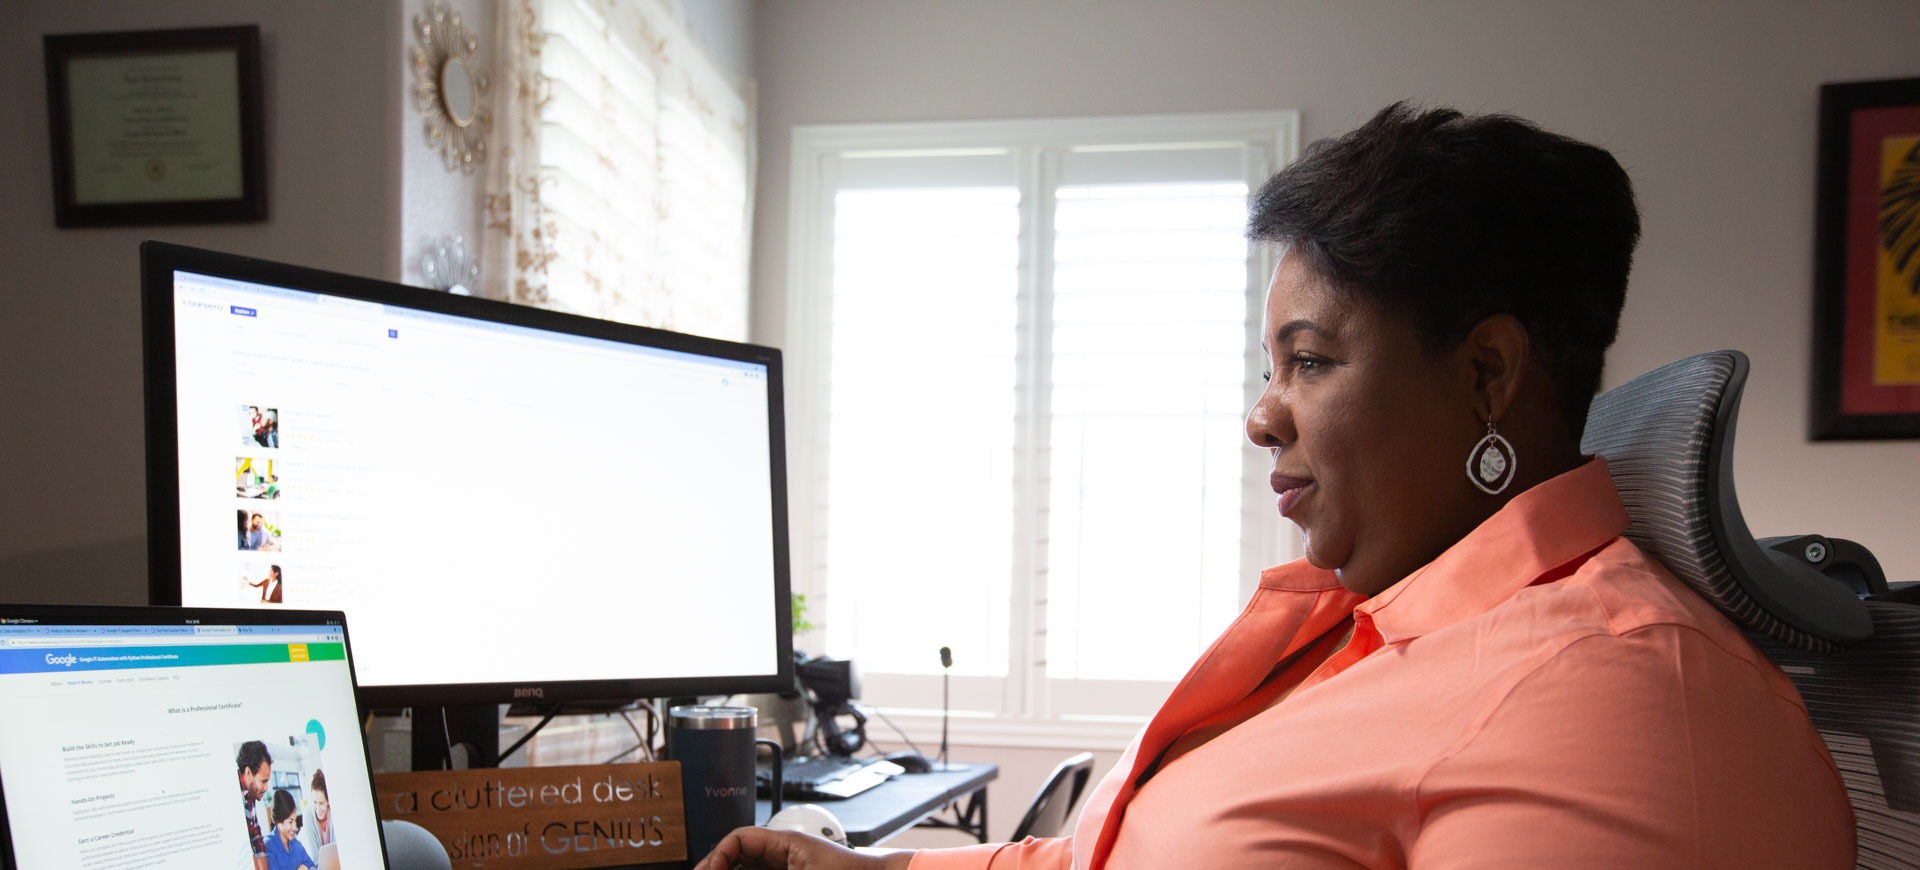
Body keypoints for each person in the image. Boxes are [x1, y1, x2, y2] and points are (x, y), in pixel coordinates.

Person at [695, 104, 1855, 870]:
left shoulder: (1628, 708)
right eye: (1270, 366)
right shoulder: (1370, 626)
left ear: (1487, 374)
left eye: (1310, 360)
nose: (1260, 414)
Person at [237, 741, 274, 870]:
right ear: (248, 773)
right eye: (263, 781)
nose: (266, 788)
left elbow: (256, 836)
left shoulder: (249, 795)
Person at [264, 788, 318, 870]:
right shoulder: (268, 847)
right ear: (278, 821)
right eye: (290, 822)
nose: (295, 827)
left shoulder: (296, 845)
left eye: (295, 820)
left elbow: (312, 866)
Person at [309, 770, 333, 847]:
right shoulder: (309, 817)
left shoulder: (333, 814)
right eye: (315, 802)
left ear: (328, 801)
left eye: (321, 803)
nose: (318, 809)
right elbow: (315, 856)